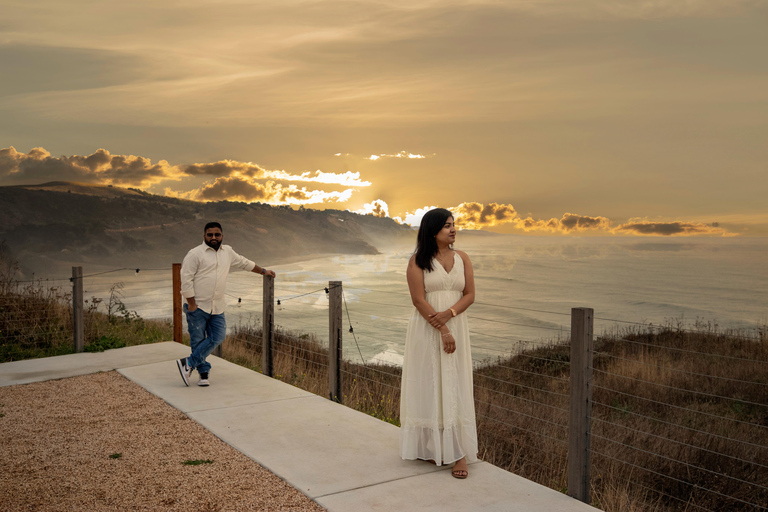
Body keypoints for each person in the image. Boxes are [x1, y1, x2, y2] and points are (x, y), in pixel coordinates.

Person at [399, 208, 478, 479]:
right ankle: (431, 445)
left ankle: (459, 453)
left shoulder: (463, 258)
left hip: (456, 326)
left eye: (454, 225)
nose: (453, 229)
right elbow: (419, 300)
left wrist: (451, 314)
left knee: (455, 383)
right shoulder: (417, 261)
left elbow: (470, 295)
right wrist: (443, 328)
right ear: (432, 230)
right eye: (447, 226)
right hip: (428, 328)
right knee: (430, 382)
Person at [176, 222, 276, 387]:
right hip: (198, 306)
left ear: (222, 235)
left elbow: (245, 263)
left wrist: (264, 271)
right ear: (204, 236)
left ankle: (188, 363)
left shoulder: (227, 252)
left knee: (219, 336)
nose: (214, 238)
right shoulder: (194, 254)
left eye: (217, 234)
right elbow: (186, 279)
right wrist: (191, 303)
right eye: (210, 235)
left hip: (218, 306)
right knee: (198, 340)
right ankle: (203, 374)